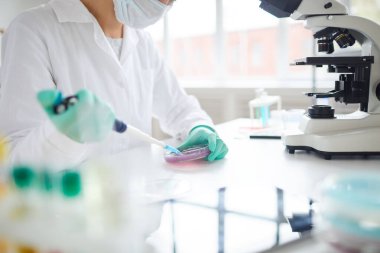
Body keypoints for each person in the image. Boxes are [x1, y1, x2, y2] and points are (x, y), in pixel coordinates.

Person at [0, 0, 229, 166]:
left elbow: (179, 107)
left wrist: (198, 127)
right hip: (69, 220)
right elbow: (16, 162)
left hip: (138, 214)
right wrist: (65, 135)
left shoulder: (142, 41)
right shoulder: (31, 29)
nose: (167, 3)